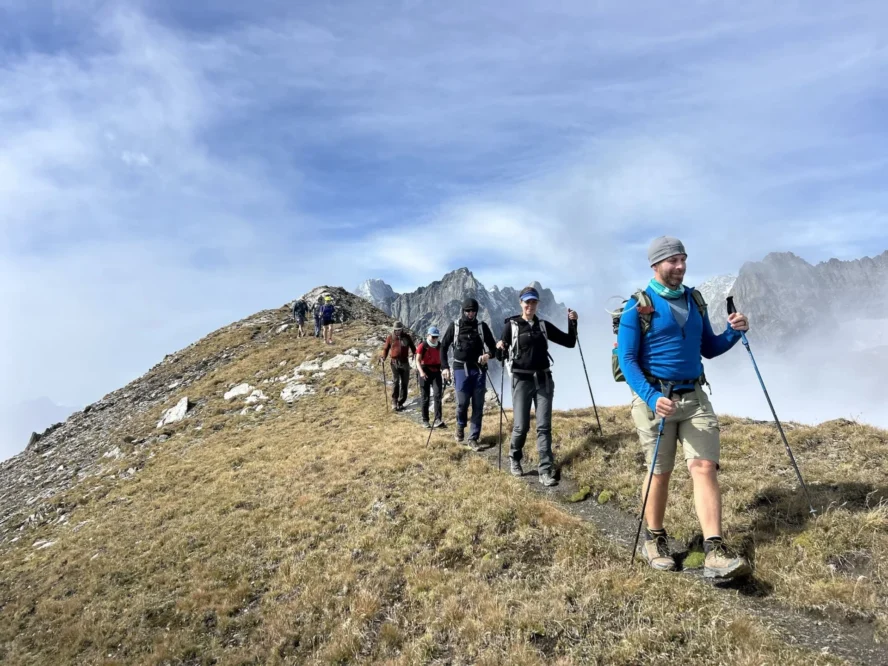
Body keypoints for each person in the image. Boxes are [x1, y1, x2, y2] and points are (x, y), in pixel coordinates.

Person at [617, 236, 752, 579]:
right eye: (672, 261)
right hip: (655, 400)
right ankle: (655, 539)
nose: (679, 266)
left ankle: (714, 550)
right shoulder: (637, 306)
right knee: (659, 472)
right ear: (655, 266)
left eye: (683, 259)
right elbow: (627, 360)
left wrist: (734, 333)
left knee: (705, 467)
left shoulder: (694, 300)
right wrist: (650, 397)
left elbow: (708, 347)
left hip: (693, 397)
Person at [497, 286, 577, 487]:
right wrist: (499, 347)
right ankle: (514, 457)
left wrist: (572, 322)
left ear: (537, 304)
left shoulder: (543, 325)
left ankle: (545, 470)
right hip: (521, 381)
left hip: (543, 379)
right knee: (521, 426)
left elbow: (569, 342)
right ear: (520, 303)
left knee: (544, 427)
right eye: (527, 302)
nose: (530, 306)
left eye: (533, 302)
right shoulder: (512, 326)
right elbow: (501, 354)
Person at [440, 297, 498, 450]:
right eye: (467, 311)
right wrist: (444, 367)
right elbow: (443, 347)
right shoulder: (455, 326)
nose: (470, 314)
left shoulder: (482, 327)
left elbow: (494, 349)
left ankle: (473, 438)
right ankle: (460, 426)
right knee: (462, 403)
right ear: (463, 311)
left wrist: (488, 356)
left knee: (478, 405)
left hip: (478, 370)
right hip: (460, 370)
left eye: (473, 311)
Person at [379, 321, 416, 411]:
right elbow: (386, 348)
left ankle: (401, 402)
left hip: (405, 363)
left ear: (402, 329)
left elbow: (413, 347)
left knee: (404, 383)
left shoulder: (407, 337)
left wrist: (416, 354)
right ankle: (394, 402)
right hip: (394, 363)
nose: (398, 331)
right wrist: (383, 357)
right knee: (396, 382)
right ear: (394, 329)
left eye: (399, 330)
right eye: (396, 330)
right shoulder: (390, 337)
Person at [416, 326, 446, 429]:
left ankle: (438, 419)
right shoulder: (422, 346)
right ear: (428, 335)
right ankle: (425, 420)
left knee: (437, 395)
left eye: (436, 337)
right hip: (425, 371)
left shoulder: (440, 346)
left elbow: (443, 360)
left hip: (436, 372)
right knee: (425, 397)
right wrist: (421, 372)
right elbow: (417, 360)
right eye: (433, 337)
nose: (435, 339)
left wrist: (445, 370)